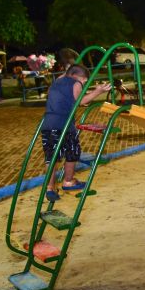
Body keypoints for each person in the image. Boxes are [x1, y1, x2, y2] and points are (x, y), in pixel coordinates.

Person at [41, 64, 111, 201]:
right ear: (77, 76)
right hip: (65, 125)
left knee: (52, 156)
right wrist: (98, 91)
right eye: (84, 80)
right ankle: (68, 181)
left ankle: (49, 188)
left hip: (48, 124)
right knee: (72, 152)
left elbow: (61, 97)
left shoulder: (57, 82)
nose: (84, 82)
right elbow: (81, 101)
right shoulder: (76, 82)